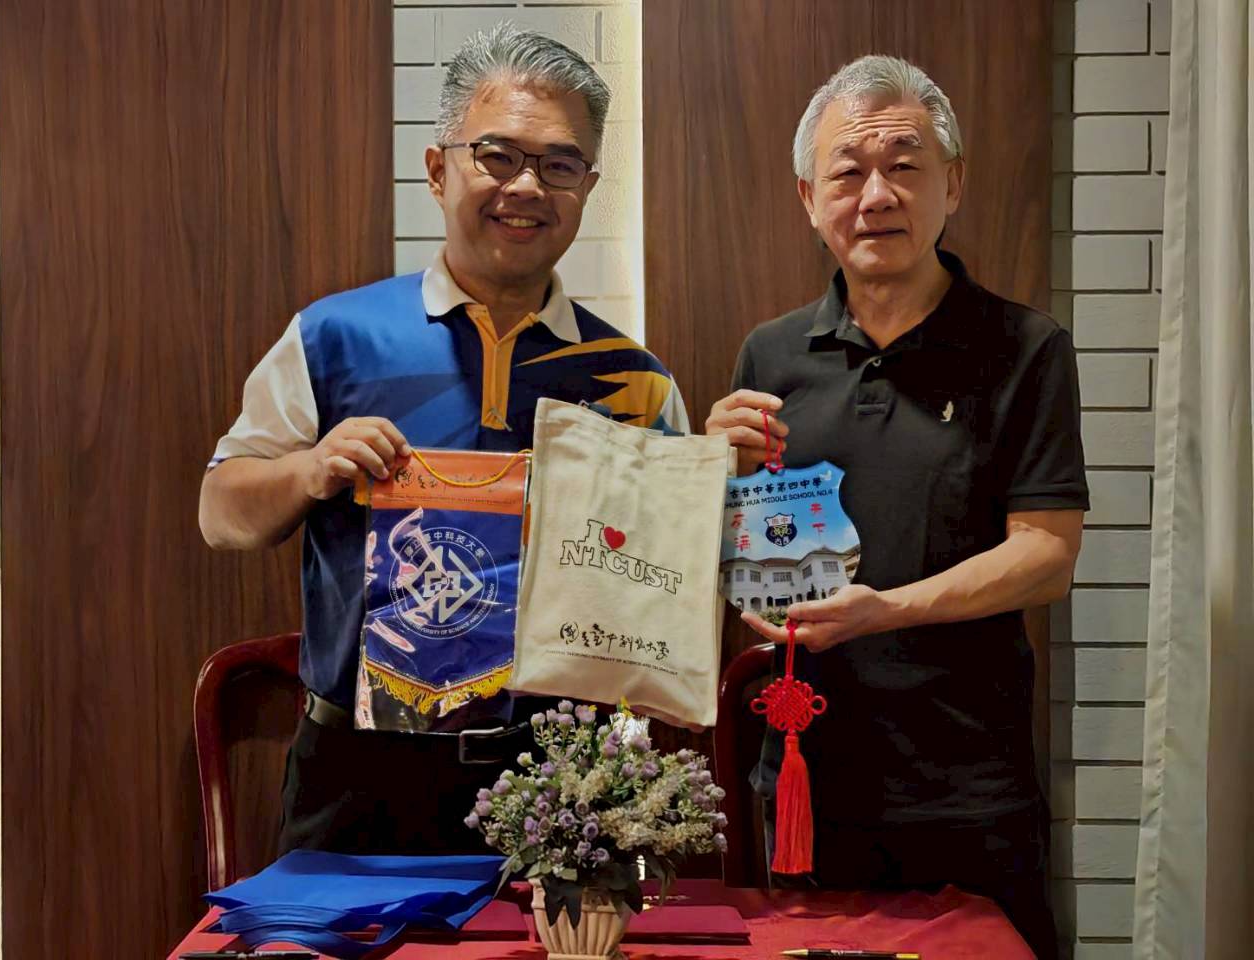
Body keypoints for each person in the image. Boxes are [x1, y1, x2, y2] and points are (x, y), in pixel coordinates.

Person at [199, 23, 687, 857]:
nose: (526, 185)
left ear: (588, 186)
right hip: (357, 777)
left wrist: (723, 499)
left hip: (561, 787)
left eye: (560, 165)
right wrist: (311, 470)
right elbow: (220, 512)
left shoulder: (635, 380)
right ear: (437, 169)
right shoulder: (333, 337)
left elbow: (666, 596)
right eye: (497, 155)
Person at [705, 55, 1085, 959]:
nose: (876, 195)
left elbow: (1047, 554)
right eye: (848, 172)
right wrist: (709, 474)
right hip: (806, 777)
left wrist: (887, 610)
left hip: (968, 789)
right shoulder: (770, 355)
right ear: (810, 199)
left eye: (905, 166)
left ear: (953, 185)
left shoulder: (1025, 348)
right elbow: (744, 562)